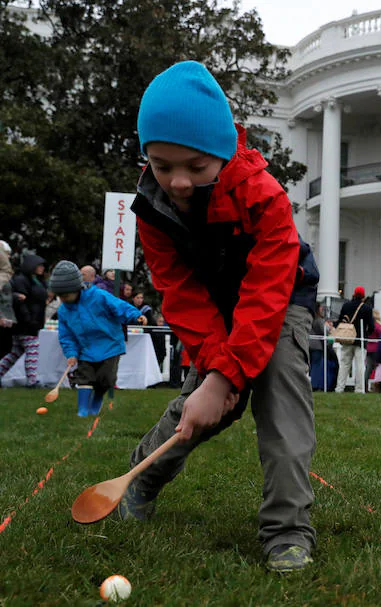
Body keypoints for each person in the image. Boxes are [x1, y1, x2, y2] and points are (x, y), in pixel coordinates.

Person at [118, 60, 321, 573]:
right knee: (208, 405)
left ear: (224, 151)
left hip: (281, 298)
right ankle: (140, 478)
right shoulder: (152, 208)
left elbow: (266, 293)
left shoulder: (267, 198)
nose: (178, 182)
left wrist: (231, 371)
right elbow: (180, 293)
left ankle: (287, 529)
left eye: (195, 166)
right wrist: (216, 374)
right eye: (162, 165)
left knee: (280, 395)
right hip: (216, 309)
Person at [50, 261, 147, 416]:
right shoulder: (63, 311)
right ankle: (82, 410)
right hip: (85, 349)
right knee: (84, 377)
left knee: (106, 380)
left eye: (66, 295)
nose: (63, 299)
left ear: (77, 288)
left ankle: (96, 400)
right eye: (60, 296)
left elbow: (119, 306)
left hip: (109, 345)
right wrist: (71, 353)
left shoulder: (98, 296)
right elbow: (66, 335)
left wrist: (135, 316)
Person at [0, 254, 47, 387]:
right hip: (26, 323)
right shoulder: (22, 280)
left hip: (31, 321)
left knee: (15, 353)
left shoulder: (36, 280)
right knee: (32, 350)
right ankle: (32, 381)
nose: (42, 268)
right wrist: (28, 319)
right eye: (39, 265)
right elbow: (21, 303)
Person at [335, 286, 373, 393]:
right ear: (363, 296)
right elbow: (371, 327)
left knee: (344, 365)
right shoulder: (367, 308)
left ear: (354, 294)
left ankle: (339, 388)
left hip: (347, 339)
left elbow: (339, 321)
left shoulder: (346, 305)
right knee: (360, 365)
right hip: (360, 340)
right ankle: (359, 389)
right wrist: (367, 333)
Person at [363, 309, 381, 392]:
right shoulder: (378, 325)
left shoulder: (367, 325)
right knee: (379, 369)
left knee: (368, 369)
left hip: (369, 348)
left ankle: (365, 386)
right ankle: (378, 388)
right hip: (377, 349)